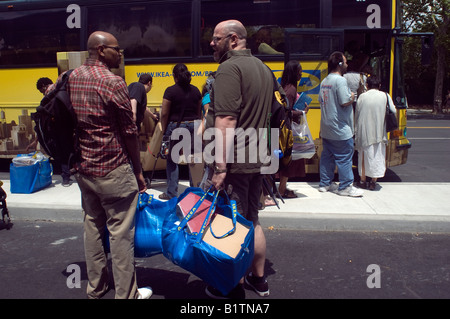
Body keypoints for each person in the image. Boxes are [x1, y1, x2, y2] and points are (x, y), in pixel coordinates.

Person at [57, 31, 151, 299]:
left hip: (84, 169)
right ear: (100, 50)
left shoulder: (70, 77)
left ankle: (96, 288)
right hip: (113, 168)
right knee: (120, 234)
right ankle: (127, 294)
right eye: (116, 49)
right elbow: (129, 132)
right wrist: (138, 170)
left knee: (93, 228)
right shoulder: (113, 82)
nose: (119, 54)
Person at [208, 19, 272, 299]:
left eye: (216, 38)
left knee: (233, 223)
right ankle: (259, 281)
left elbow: (226, 119)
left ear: (233, 40)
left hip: (235, 162)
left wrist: (220, 167)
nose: (212, 43)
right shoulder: (263, 69)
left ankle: (231, 286)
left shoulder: (228, 69)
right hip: (258, 158)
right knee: (253, 219)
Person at [318, 51, 363, 197]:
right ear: (339, 64)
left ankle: (325, 183)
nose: (347, 64)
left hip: (326, 127)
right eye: (345, 62)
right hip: (340, 128)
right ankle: (345, 187)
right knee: (344, 157)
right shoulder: (341, 81)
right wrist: (352, 96)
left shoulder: (324, 81)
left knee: (327, 156)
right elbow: (344, 101)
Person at [159, 63, 202, 200]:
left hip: (176, 127)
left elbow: (164, 113)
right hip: (194, 126)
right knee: (193, 160)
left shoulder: (170, 91)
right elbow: (198, 111)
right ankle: (195, 191)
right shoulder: (195, 90)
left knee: (172, 160)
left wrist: (164, 129)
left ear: (175, 76)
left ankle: (171, 193)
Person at [29, 78, 72, 186]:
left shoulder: (48, 98)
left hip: (57, 130)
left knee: (62, 154)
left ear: (43, 86)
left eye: (41, 91)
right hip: (69, 127)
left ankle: (66, 177)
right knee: (70, 151)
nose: (42, 93)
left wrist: (37, 139)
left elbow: (42, 123)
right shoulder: (62, 89)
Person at [355, 76, 396, 190]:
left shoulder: (362, 97)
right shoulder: (385, 96)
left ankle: (362, 181)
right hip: (379, 133)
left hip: (364, 133)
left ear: (367, 86)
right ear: (379, 86)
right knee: (377, 157)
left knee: (363, 157)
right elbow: (393, 110)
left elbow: (357, 115)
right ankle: (373, 182)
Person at [278, 60, 309, 198]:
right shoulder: (291, 90)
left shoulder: (285, 87)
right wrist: (302, 112)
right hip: (287, 131)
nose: (301, 74)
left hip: (284, 129)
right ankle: (282, 189)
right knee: (289, 160)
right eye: (299, 72)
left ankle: (281, 188)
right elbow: (287, 111)